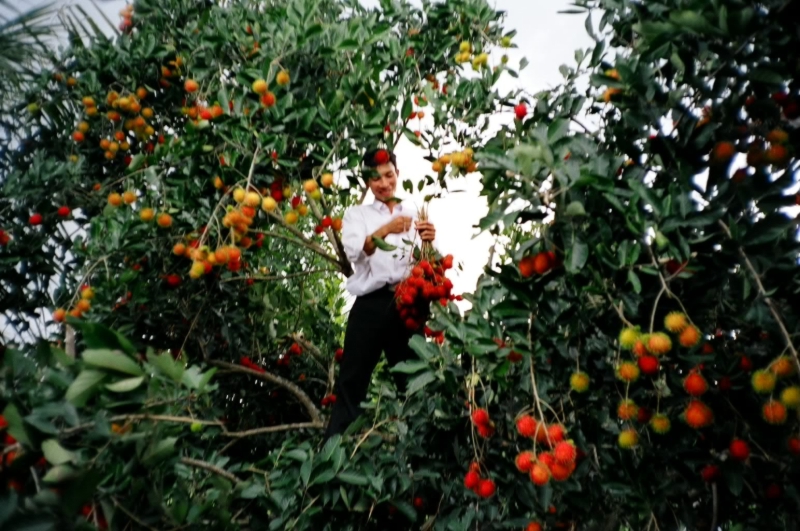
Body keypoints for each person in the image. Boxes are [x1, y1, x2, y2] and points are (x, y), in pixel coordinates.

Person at [325, 148, 436, 437]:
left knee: (415, 380)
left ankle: (423, 449)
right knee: (352, 381)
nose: (384, 183)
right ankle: (333, 451)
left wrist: (431, 243)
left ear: (397, 174)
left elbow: (429, 265)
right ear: (367, 182)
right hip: (371, 305)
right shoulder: (356, 215)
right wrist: (386, 229)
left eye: (389, 175)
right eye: (376, 178)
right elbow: (354, 251)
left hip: (407, 304)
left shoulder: (414, 214)